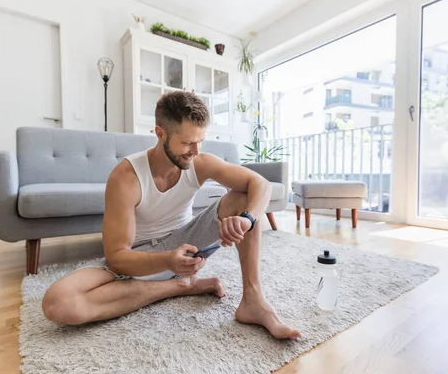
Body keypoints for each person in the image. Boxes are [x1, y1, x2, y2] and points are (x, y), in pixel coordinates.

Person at [41, 91, 301, 340]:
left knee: (243, 198)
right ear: (159, 133)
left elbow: (261, 184)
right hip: (139, 260)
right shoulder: (126, 177)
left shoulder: (200, 162)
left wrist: (246, 218)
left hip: (186, 246)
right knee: (58, 303)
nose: (196, 151)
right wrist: (167, 261)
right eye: (187, 143)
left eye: (200, 141)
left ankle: (253, 301)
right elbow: (117, 258)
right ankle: (183, 286)